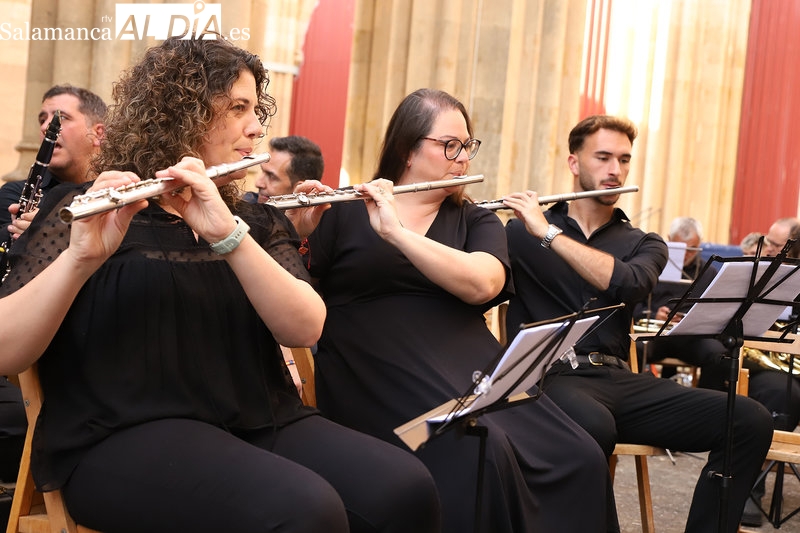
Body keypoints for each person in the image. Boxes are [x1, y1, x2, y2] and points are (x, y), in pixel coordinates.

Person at [0, 37, 440, 533]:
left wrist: (228, 235)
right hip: (121, 436)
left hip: (258, 420)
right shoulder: (83, 210)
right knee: (303, 509)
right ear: (179, 114)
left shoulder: (253, 221)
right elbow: (6, 351)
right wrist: (81, 258)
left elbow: (305, 327)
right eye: (237, 108)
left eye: (255, 109)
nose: (256, 127)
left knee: (404, 488)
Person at [305, 88, 615, 533]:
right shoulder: (343, 210)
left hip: (468, 368)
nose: (463, 158)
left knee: (579, 455)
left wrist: (397, 233)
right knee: (477, 451)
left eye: (467, 145)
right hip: (372, 369)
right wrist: (299, 228)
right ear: (407, 150)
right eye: (450, 145)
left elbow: (483, 283)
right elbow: (300, 286)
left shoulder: (475, 219)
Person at [503, 114, 773, 532]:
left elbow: (628, 284)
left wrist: (549, 235)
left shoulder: (644, 243)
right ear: (574, 163)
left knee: (749, 419)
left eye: (624, 159)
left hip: (617, 378)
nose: (615, 169)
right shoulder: (520, 233)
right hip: (550, 378)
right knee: (592, 424)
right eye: (603, 157)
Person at [740, 217, 800, 526]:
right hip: (770, 364)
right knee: (779, 393)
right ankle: (753, 487)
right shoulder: (758, 272)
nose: (770, 249)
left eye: (778, 245)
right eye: (771, 242)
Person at [0, 84, 106, 245]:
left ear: (98, 134)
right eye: (42, 120)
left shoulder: (118, 192)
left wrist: (55, 233)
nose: (45, 127)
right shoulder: (14, 194)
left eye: (62, 117)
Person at [632, 216, 726, 389]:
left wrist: (692, 319)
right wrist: (654, 315)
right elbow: (634, 305)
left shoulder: (709, 272)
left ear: (700, 244)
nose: (685, 254)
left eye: (691, 249)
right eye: (680, 248)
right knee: (631, 349)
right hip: (654, 334)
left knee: (719, 356)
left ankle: (706, 403)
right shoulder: (652, 267)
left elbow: (715, 313)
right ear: (668, 240)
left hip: (691, 338)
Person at [245, 135, 324, 203]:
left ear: (301, 189)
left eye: (271, 176)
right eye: (263, 171)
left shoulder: (325, 213)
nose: (258, 183)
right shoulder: (245, 205)